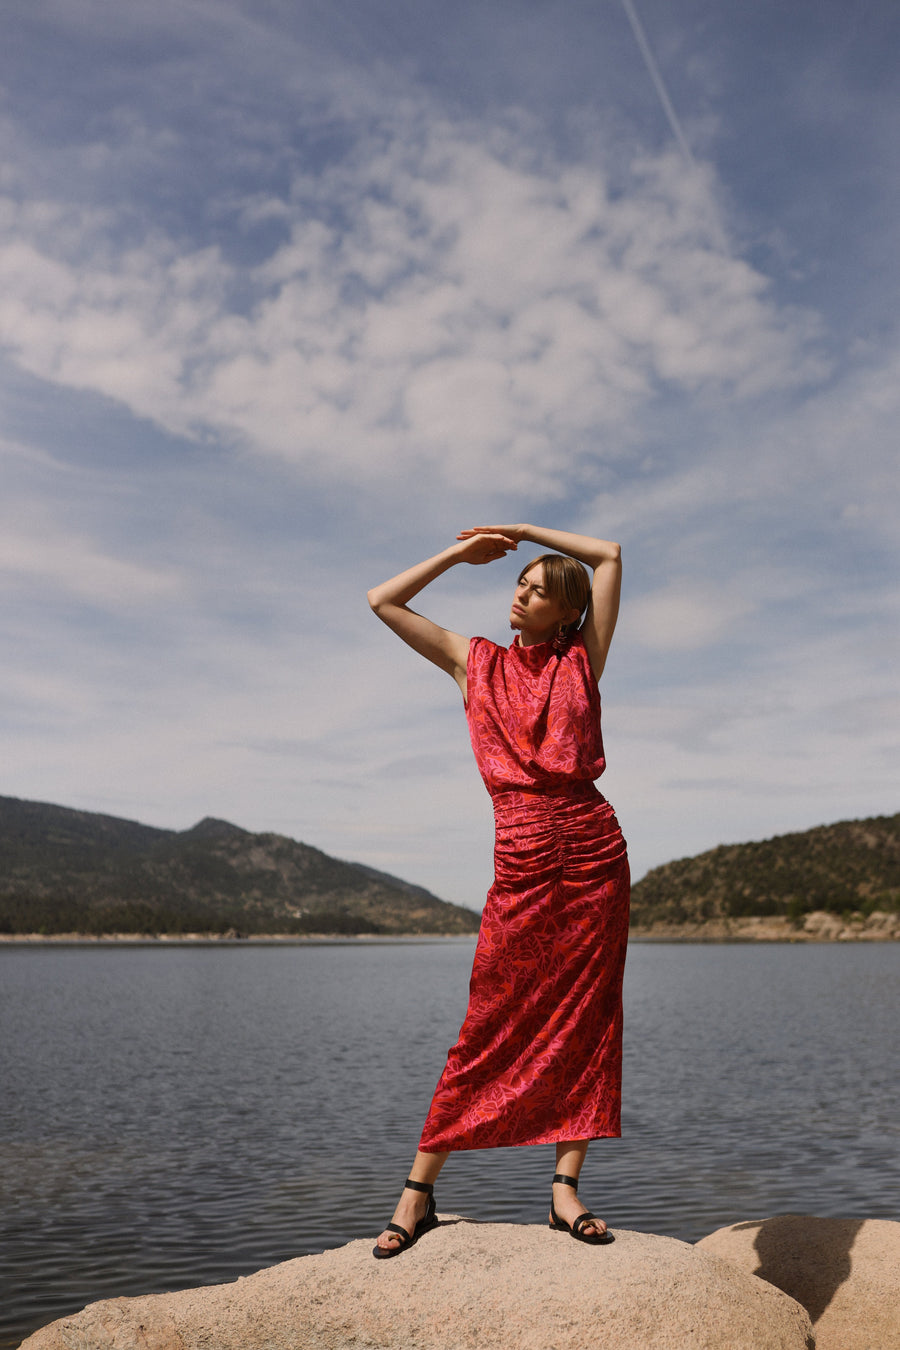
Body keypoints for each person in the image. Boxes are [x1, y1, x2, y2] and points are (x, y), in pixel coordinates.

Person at [367, 523, 630, 1257]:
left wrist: (522, 531)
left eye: (539, 590)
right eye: (521, 581)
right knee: (487, 1019)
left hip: (593, 852)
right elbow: (382, 601)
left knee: (589, 1016)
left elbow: (609, 553)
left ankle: (563, 1191)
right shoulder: (472, 662)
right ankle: (416, 1195)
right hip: (519, 854)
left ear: (566, 612)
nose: (521, 592)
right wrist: (459, 552)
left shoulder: (583, 659)